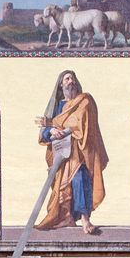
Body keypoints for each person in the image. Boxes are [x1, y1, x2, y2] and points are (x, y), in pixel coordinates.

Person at [36, 70, 109, 234]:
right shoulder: (57, 106)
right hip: (61, 154)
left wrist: (61, 129)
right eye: (67, 79)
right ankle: (66, 217)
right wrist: (52, 130)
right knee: (62, 186)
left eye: (72, 78)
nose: (71, 81)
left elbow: (81, 123)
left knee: (80, 178)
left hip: (80, 151)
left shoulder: (84, 100)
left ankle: (85, 219)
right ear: (61, 85)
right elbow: (44, 133)